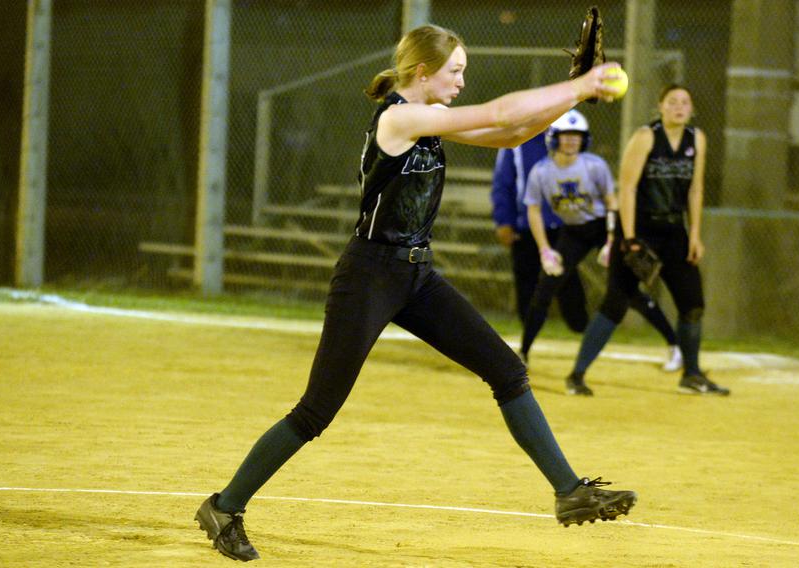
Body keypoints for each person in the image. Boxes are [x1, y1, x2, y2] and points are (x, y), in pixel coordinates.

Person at [194, 25, 636, 562]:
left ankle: (569, 492)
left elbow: (510, 134)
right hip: (369, 276)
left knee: (506, 371)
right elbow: (498, 113)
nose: (462, 80)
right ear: (422, 73)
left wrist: (576, 93)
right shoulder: (399, 118)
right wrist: (581, 86)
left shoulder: (430, 125)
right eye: (455, 71)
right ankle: (225, 505)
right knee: (315, 412)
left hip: (417, 276)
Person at [566, 84, 730, 396]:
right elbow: (626, 188)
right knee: (616, 303)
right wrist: (629, 239)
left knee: (692, 304)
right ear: (661, 107)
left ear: (691, 109)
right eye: (672, 102)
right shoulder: (646, 137)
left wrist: (694, 234)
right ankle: (577, 375)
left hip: (674, 233)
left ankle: (692, 375)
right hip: (641, 230)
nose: (679, 107)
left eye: (685, 102)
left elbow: (695, 190)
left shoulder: (697, 139)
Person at [519, 110, 682, 395]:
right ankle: (523, 352)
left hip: (602, 227)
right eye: (565, 136)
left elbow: (611, 201)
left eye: (577, 137)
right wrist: (545, 249)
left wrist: (610, 240)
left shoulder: (594, 165)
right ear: (553, 139)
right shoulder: (541, 171)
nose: (571, 142)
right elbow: (533, 209)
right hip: (573, 232)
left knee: (629, 293)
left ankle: (673, 344)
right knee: (546, 287)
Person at [491, 135, 589, 338]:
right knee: (527, 282)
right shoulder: (516, 141)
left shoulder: (566, 135)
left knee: (568, 280)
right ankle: (529, 336)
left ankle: (580, 329)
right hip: (525, 226)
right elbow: (503, 183)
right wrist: (503, 221)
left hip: (563, 225)